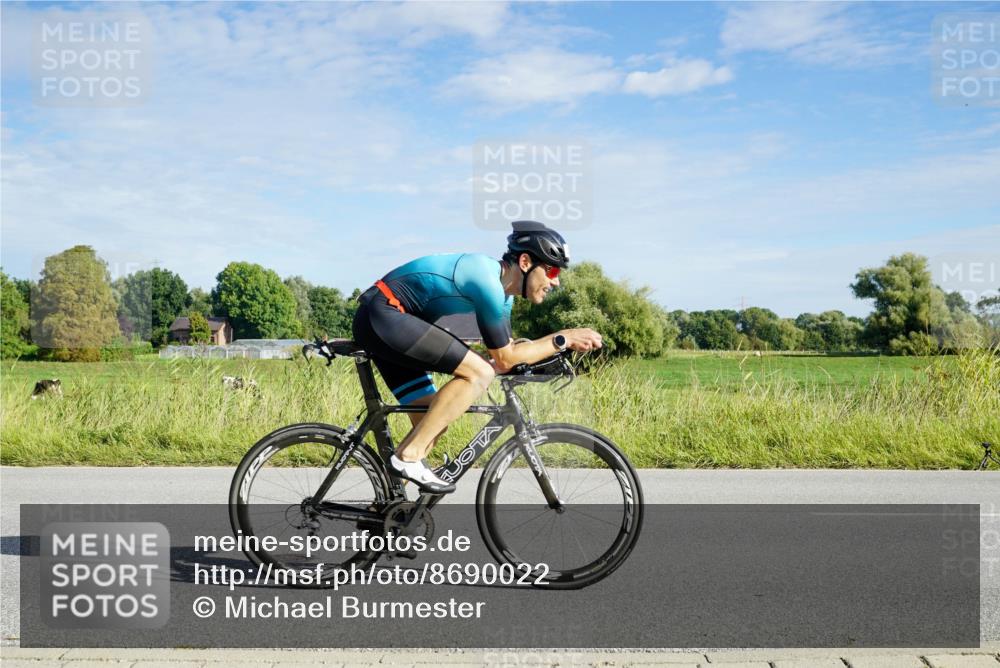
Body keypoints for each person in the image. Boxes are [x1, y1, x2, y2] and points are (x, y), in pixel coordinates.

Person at [351, 221, 603, 494]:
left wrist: (540, 356)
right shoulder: (486, 280)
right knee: (478, 373)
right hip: (385, 315)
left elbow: (504, 355)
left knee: (433, 423)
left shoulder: (504, 298)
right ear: (526, 261)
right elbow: (504, 360)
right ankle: (407, 457)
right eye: (552, 270)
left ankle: (391, 512)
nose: (556, 281)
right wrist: (562, 338)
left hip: (392, 324)